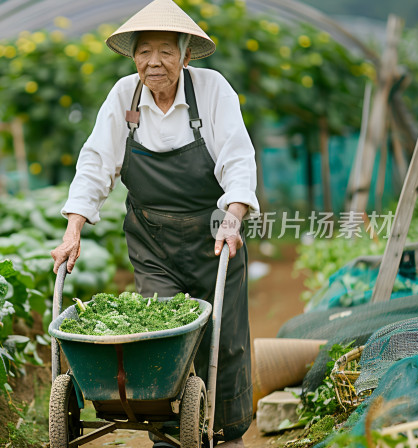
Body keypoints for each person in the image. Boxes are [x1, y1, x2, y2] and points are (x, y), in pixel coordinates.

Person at [50, 0, 259, 446]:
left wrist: (233, 218)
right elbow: (95, 164)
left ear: (185, 55)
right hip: (152, 242)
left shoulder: (212, 90)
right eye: (145, 51)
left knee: (224, 339)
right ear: (133, 57)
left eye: (166, 51)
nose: (154, 62)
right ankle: (169, 434)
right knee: (163, 335)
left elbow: (238, 158)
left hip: (214, 236)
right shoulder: (124, 96)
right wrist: (73, 230)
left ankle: (227, 432)